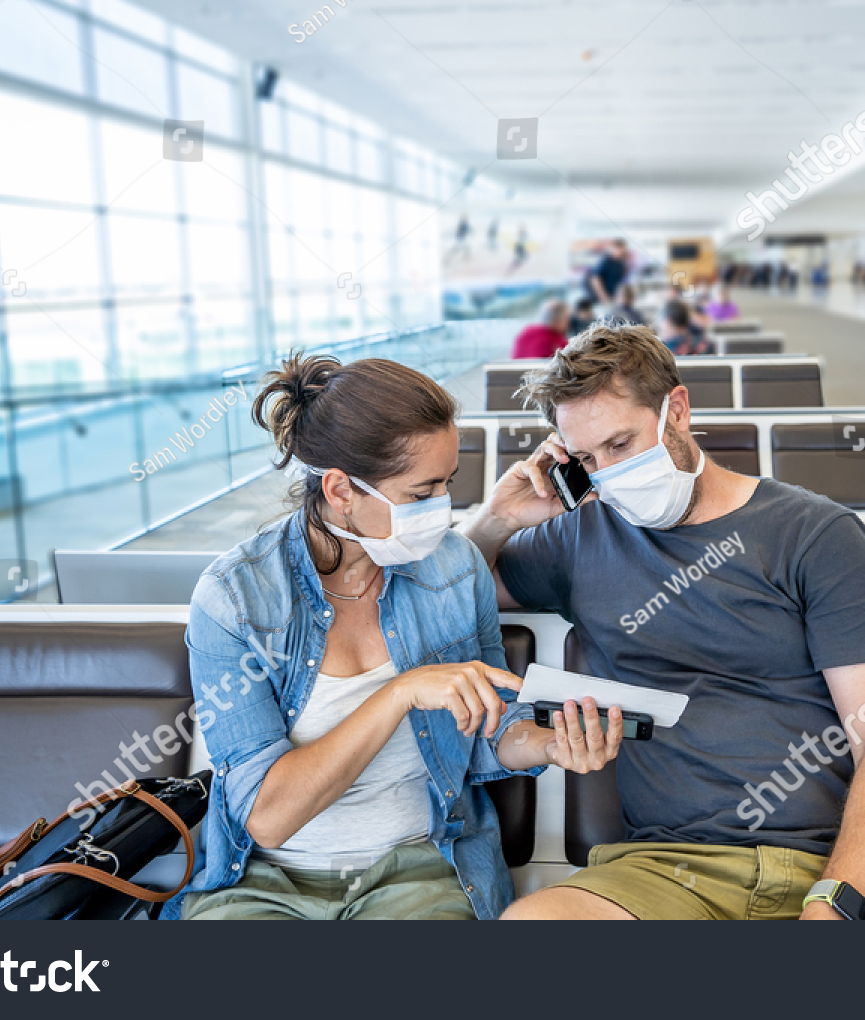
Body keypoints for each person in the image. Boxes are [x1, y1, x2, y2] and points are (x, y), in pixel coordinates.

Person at [459, 324, 865, 921]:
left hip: (829, 865)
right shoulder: (579, 537)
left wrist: (834, 905)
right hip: (665, 873)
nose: (608, 471)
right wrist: (497, 518)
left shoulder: (815, 535)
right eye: (587, 459)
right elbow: (451, 596)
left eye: (621, 444)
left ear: (678, 410)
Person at [170, 354, 619, 921]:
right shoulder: (237, 598)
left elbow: (485, 727)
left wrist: (549, 746)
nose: (442, 510)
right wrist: (399, 693)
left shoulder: (454, 568)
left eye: (447, 485)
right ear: (339, 490)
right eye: (420, 493)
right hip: (265, 879)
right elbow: (268, 815)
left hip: (419, 869)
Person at [585, 239, 629, 304]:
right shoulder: (605, 261)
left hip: (612, 296)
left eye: (623, 249)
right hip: (600, 298)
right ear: (613, 248)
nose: (622, 252)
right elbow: (595, 280)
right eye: (619, 249)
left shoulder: (620, 263)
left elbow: (619, 281)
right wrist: (604, 298)